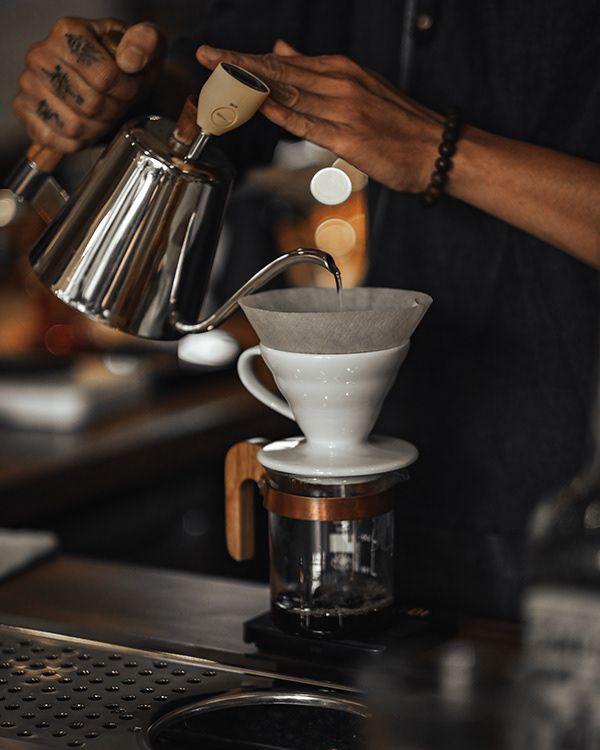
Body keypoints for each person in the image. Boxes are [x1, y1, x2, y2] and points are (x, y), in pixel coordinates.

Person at [12, 1, 600, 618]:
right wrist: (118, 88)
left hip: (573, 508)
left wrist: (438, 149)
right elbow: (240, 78)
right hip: (414, 473)